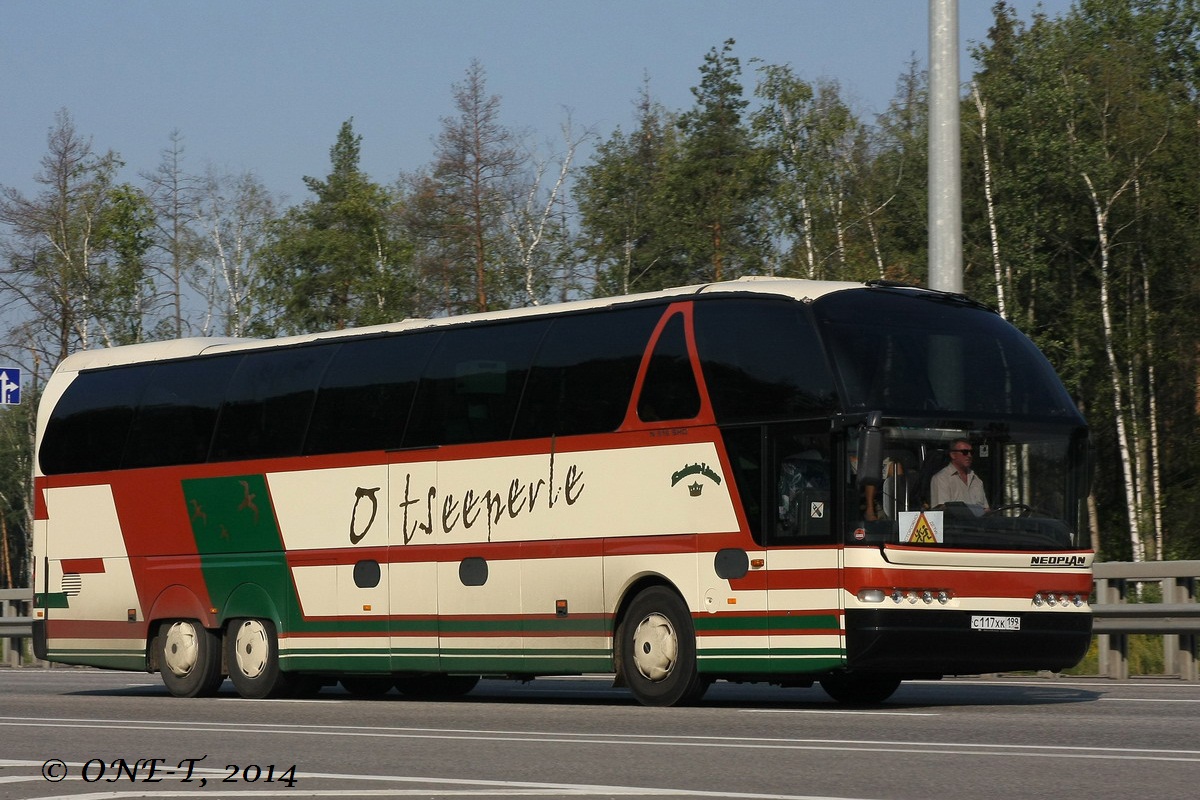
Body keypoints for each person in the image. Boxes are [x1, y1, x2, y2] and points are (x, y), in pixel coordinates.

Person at [930, 439, 988, 513]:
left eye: (971, 452)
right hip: (954, 524)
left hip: (977, 524)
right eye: (965, 452)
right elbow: (941, 510)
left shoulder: (976, 479)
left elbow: (986, 509)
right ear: (953, 455)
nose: (969, 456)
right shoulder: (941, 478)